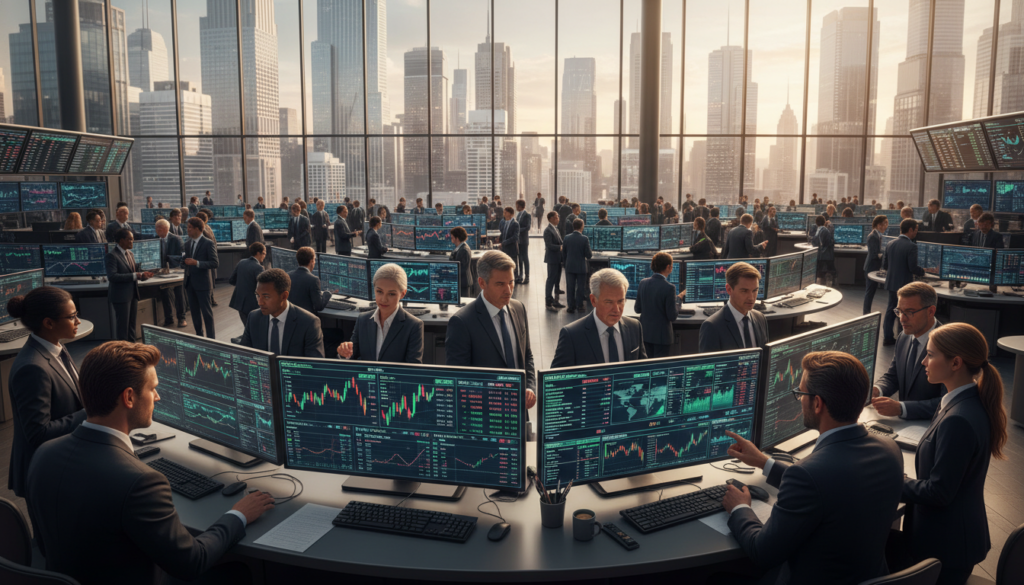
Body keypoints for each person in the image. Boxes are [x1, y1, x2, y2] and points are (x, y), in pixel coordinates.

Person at [25, 341, 274, 585]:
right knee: (238, 572)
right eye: (152, 388)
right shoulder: (140, 481)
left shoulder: (44, 453)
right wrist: (238, 514)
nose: (158, 396)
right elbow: (191, 562)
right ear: (129, 397)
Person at [721, 351, 904, 585]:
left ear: (817, 403)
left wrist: (740, 509)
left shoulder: (809, 474)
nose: (800, 400)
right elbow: (831, 485)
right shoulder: (890, 449)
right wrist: (764, 462)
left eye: (800, 394)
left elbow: (762, 552)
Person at [897, 323, 1008, 585]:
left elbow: (939, 492)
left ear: (956, 362)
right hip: (951, 536)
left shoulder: (957, 419)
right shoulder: (964, 402)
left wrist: (894, 481)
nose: (924, 361)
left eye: (931, 354)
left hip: (945, 546)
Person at [6, 287, 85, 498]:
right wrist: (93, 410)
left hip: (62, 463)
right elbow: (38, 433)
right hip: (44, 475)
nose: (78, 321)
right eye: (72, 317)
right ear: (48, 323)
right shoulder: (32, 368)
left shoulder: (55, 347)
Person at [445, 251, 536, 409]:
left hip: (519, 411)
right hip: (486, 417)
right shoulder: (462, 322)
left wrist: (529, 387)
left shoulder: (519, 308)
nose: (508, 290)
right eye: (500, 284)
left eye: (511, 282)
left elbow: (526, 354)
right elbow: (459, 380)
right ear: (482, 283)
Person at [871, 282, 944, 420]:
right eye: (899, 312)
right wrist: (876, 390)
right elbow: (893, 376)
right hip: (905, 427)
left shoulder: (948, 345)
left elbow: (948, 401)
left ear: (931, 311)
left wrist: (901, 408)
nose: (902, 319)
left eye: (910, 312)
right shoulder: (903, 337)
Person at [551, 269, 647, 367]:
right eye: (609, 302)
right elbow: (555, 380)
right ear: (593, 300)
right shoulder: (572, 335)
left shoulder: (635, 327)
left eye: (620, 301)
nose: (617, 309)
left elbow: (644, 371)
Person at [337, 263, 424, 363]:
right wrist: (344, 353)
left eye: (391, 294)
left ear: (402, 294)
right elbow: (352, 357)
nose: (384, 299)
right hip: (367, 378)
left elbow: (412, 370)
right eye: (379, 292)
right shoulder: (363, 319)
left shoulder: (413, 326)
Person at [239, 268, 325, 357]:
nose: (260, 302)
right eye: (258, 295)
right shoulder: (253, 317)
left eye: (266, 297)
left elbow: (314, 365)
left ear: (284, 296)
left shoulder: (309, 323)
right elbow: (243, 356)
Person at [698, 262, 768, 352]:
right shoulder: (712, 326)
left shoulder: (760, 318)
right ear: (729, 289)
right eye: (744, 291)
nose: (751, 297)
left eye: (755, 290)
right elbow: (709, 365)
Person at [106, 229, 154, 342]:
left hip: (133, 294)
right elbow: (112, 276)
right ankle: (124, 353)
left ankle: (133, 348)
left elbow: (133, 272)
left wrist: (143, 275)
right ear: (121, 241)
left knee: (132, 325)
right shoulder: (111, 256)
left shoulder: (130, 253)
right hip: (121, 296)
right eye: (130, 239)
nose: (132, 241)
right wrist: (135, 275)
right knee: (123, 328)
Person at [635, 253, 686, 358]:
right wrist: (678, 300)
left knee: (647, 366)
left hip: (644, 335)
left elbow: (637, 309)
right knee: (659, 369)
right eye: (671, 265)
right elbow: (672, 316)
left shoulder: (642, 283)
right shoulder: (669, 288)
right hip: (661, 339)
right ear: (668, 267)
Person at [882, 219, 924, 346]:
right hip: (905, 285)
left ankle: (888, 338)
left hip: (891, 283)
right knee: (904, 312)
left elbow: (884, 265)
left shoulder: (890, 243)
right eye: (916, 230)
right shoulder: (912, 246)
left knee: (891, 310)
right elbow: (913, 268)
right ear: (910, 230)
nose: (916, 233)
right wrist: (924, 272)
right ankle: (903, 340)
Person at [182, 217, 219, 339]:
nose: (187, 230)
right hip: (190, 283)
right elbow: (185, 262)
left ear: (197, 229)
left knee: (207, 314)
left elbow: (214, 263)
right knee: (194, 314)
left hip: (203, 284)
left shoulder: (208, 243)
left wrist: (196, 263)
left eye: (190, 228)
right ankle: (199, 337)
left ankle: (211, 340)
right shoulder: (187, 244)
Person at [154, 219, 186, 328]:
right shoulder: (155, 239)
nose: (156, 231)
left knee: (179, 294)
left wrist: (169, 258)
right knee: (164, 293)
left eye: (159, 229)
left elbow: (183, 257)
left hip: (176, 271)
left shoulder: (176, 239)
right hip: (161, 272)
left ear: (166, 229)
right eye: (156, 228)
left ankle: (181, 318)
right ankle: (169, 318)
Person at [228, 242, 266, 325]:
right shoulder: (258, 267)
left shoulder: (242, 262)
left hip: (239, 302)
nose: (264, 256)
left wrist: (243, 285)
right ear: (258, 253)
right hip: (252, 305)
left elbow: (231, 280)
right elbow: (263, 286)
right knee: (254, 328)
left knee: (247, 327)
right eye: (263, 253)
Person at [288, 246, 331, 317]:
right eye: (314, 260)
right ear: (311, 262)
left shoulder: (288, 276)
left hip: (291, 320)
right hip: (307, 322)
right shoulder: (313, 280)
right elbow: (318, 306)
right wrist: (327, 294)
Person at [561, 218, 593, 314]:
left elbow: (564, 253)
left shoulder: (566, 238)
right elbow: (589, 255)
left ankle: (571, 306)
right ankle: (579, 305)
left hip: (570, 266)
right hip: (581, 267)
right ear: (582, 226)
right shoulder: (584, 239)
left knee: (570, 287)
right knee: (580, 287)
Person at [863, 215, 888, 314]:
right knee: (870, 292)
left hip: (873, 266)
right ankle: (866, 313)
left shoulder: (877, 235)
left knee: (871, 291)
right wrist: (885, 257)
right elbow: (875, 254)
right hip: (871, 267)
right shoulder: (873, 236)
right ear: (879, 225)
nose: (886, 226)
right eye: (884, 224)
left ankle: (866, 312)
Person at [543, 211, 565, 310]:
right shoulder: (548, 230)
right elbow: (549, 245)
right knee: (551, 279)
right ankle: (548, 300)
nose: (558, 219)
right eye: (556, 217)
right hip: (552, 258)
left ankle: (554, 300)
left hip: (558, 258)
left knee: (556, 278)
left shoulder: (556, 229)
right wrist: (560, 247)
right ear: (551, 218)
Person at [449, 227, 473, 298]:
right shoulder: (460, 248)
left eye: (452, 237)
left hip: (463, 283)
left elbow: (461, 268)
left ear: (457, 238)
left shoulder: (463, 250)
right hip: (461, 282)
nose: (451, 238)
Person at [813, 215, 836, 286]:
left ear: (816, 223)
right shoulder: (826, 230)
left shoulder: (819, 230)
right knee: (831, 271)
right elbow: (830, 242)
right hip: (828, 257)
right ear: (824, 222)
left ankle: (820, 283)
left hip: (821, 257)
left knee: (821, 272)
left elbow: (815, 243)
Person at [499, 206, 520, 275]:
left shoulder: (515, 224)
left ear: (511, 214)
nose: (504, 213)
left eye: (506, 212)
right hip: (505, 249)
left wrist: (505, 242)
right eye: (504, 212)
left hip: (512, 249)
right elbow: (503, 234)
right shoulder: (505, 223)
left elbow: (515, 237)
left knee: (513, 268)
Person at [515, 199, 531, 284]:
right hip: (519, 240)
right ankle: (520, 276)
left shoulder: (527, 215)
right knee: (519, 258)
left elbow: (527, 227)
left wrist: (517, 230)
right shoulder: (518, 215)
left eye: (517, 205)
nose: (516, 207)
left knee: (525, 258)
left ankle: (527, 276)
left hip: (524, 240)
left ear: (520, 206)